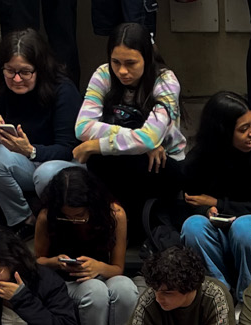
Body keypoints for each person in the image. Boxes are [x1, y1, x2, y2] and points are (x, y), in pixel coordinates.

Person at [75, 22, 187, 241]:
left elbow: (149, 137)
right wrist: (141, 144)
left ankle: (138, 226)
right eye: (116, 62)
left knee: (104, 155)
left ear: (147, 58)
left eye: (131, 63)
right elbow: (82, 127)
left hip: (166, 163)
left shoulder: (165, 81)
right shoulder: (103, 75)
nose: (122, 71)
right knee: (99, 160)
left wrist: (97, 144)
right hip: (135, 157)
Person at [34, 165, 134, 325]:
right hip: (65, 283)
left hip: (103, 273)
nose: (74, 220)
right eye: (67, 215)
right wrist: (55, 262)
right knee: (95, 291)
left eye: (79, 215)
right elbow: (37, 261)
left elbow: (118, 268)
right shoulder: (48, 216)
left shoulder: (114, 214)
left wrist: (99, 266)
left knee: (126, 288)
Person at [0, 29, 78, 231]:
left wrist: (30, 151)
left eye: (25, 72)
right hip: (24, 162)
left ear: (40, 68)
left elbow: (69, 149)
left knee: (46, 173)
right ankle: (22, 219)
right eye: (10, 71)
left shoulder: (63, 90)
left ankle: (54, 224)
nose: (17, 79)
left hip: (60, 163)